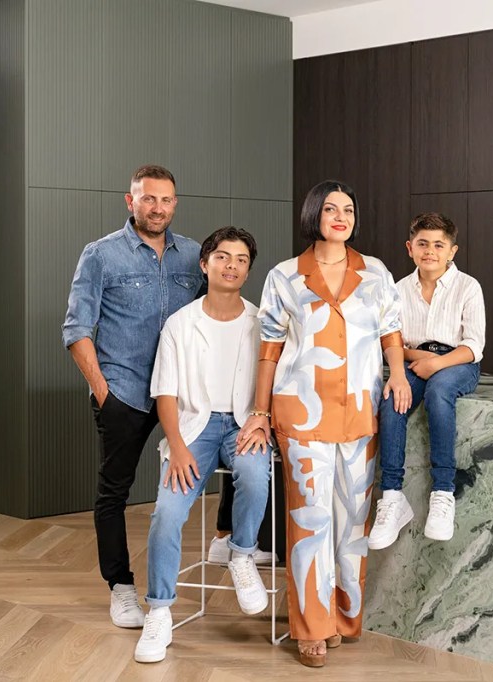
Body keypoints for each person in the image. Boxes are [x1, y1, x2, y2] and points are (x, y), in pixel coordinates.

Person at [235, 180, 411, 668]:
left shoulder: (374, 272)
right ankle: (310, 628)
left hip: (360, 412)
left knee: (352, 524)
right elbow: (269, 348)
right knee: (310, 521)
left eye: (348, 209)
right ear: (315, 214)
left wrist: (397, 374)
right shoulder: (285, 276)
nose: (341, 216)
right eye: (331, 208)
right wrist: (259, 411)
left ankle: (341, 618)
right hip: (301, 413)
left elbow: (390, 330)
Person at [63, 165, 203, 628]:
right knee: (114, 492)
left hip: (181, 394)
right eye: (148, 199)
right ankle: (121, 589)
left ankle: (229, 540)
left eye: (165, 200)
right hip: (124, 393)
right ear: (131, 201)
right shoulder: (101, 255)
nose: (157, 208)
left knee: (234, 454)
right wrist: (103, 393)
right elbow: (77, 328)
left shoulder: (195, 257)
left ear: (174, 204)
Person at [134, 226, 271, 663]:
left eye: (242, 259)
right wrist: (176, 445)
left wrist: (261, 419)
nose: (232, 266)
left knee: (253, 473)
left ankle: (242, 555)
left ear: (249, 268)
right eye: (223, 257)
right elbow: (166, 393)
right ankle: (159, 610)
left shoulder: (260, 321)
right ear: (204, 263)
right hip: (193, 428)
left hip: (244, 423)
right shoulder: (180, 324)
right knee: (166, 515)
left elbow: (271, 380)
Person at [368, 212, 485, 549]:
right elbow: (392, 341)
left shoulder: (468, 287)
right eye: (422, 244)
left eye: (438, 245)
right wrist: (418, 361)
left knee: (439, 393)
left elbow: (473, 346)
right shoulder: (398, 290)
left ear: (452, 251)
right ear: (409, 248)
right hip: (415, 360)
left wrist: (437, 364)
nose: (430, 251)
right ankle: (391, 496)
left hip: (457, 362)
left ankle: (443, 492)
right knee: (392, 401)